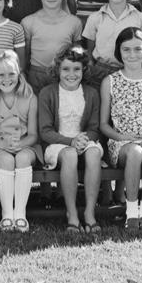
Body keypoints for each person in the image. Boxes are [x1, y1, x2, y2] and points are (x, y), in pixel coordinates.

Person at [98, 27, 142, 235]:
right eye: (126, 49)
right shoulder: (110, 81)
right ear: (119, 51)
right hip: (121, 143)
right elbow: (103, 124)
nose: (132, 54)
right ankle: (131, 213)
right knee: (135, 152)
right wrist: (122, 137)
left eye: (138, 49)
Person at [38, 44, 103, 234]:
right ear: (58, 70)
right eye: (65, 69)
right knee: (70, 155)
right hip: (58, 145)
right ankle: (72, 214)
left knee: (92, 153)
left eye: (77, 69)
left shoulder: (91, 93)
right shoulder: (48, 93)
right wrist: (70, 142)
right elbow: (45, 131)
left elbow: (94, 128)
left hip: (84, 141)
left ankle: (90, 213)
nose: (71, 74)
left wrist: (83, 140)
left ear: (84, 70)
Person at [0, 50, 41, 233]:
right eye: (1, 74)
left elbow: (33, 134)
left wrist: (21, 144)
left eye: (11, 74)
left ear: (19, 74)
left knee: (22, 159)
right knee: (7, 160)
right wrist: (4, 146)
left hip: (25, 144)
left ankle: (20, 213)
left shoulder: (30, 97)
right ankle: (7, 213)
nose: (6, 79)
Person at [21, 0, 83, 95]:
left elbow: (77, 56)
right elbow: (25, 57)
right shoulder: (28, 22)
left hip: (64, 75)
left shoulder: (74, 22)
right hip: (37, 77)